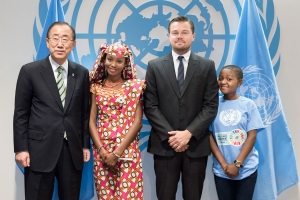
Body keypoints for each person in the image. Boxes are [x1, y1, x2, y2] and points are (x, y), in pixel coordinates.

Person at [144, 16, 219, 200]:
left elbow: (210, 105)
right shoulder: (154, 66)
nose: (180, 36)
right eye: (175, 33)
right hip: (165, 146)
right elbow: (150, 106)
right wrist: (173, 137)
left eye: (185, 32)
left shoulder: (207, 66)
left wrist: (188, 133)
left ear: (193, 36)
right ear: (168, 36)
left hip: (195, 145)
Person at [13, 21, 90, 200]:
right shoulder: (30, 71)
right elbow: (21, 114)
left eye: (65, 39)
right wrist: (21, 148)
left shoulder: (81, 73)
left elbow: (84, 113)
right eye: (55, 38)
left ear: (73, 44)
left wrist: (85, 144)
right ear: (47, 42)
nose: (60, 43)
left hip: (71, 149)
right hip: (39, 149)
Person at [89, 42, 145, 199]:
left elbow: (138, 122)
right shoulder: (95, 86)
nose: (113, 64)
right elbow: (91, 121)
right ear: (104, 60)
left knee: (129, 196)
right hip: (103, 151)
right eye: (110, 59)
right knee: (105, 195)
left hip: (126, 150)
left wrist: (117, 152)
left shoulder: (134, 87)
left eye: (119, 61)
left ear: (125, 64)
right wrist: (102, 151)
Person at [209, 65, 264, 200]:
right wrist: (224, 165)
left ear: (240, 82)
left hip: (246, 169)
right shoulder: (213, 105)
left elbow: (252, 136)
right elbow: (208, 136)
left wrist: (237, 164)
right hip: (222, 171)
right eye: (221, 78)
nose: (223, 82)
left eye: (229, 79)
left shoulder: (248, 104)